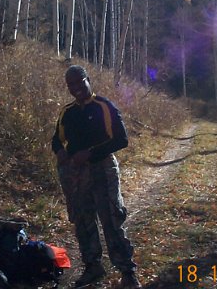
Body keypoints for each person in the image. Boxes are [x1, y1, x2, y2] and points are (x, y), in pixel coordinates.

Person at [52, 65, 141, 288]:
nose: (76, 88)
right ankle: (93, 267)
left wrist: (90, 153)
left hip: (102, 169)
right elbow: (57, 139)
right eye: (70, 84)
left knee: (111, 218)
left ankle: (127, 271)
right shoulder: (67, 112)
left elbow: (121, 139)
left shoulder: (104, 106)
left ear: (87, 80)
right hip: (76, 175)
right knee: (82, 220)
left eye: (79, 82)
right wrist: (61, 152)